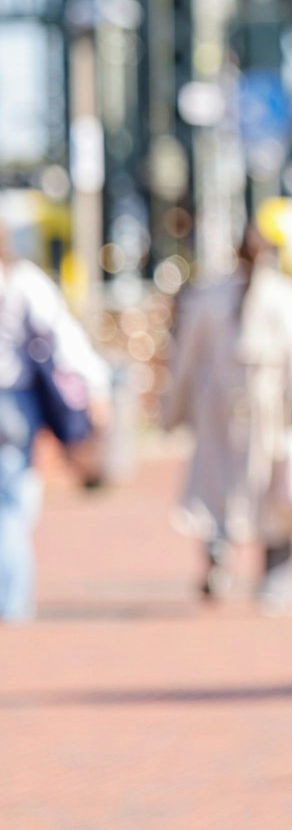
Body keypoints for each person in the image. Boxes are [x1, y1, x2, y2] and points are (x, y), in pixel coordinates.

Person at [161, 223, 292, 617]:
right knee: (269, 499)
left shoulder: (209, 295)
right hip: (261, 414)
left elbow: (185, 361)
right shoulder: (283, 296)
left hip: (224, 412)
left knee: (222, 492)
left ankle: (222, 559)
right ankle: (273, 576)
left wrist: (173, 411)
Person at [0, 228, 112, 623]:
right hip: (12, 401)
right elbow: (63, 337)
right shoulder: (21, 281)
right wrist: (97, 387)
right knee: (12, 505)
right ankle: (11, 605)